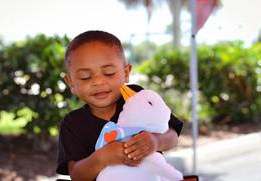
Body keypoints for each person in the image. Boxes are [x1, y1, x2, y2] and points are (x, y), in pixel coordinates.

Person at [56, 30, 183, 181]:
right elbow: (76, 175)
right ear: (71, 82)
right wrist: (101, 158)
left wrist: (156, 141)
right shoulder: (73, 124)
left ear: (126, 73)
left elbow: (172, 136)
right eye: (86, 77)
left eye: (109, 73)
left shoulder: (136, 97)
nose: (98, 82)